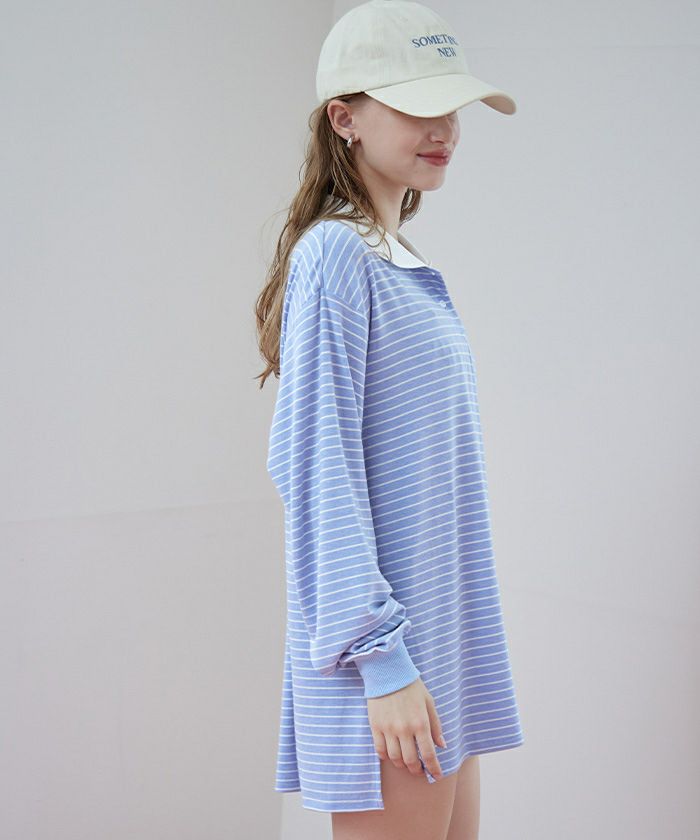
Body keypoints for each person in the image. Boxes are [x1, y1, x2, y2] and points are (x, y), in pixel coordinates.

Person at [254, 2, 523, 837]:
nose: (444, 130)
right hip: (391, 661)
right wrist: (383, 661)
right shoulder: (336, 255)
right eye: (416, 106)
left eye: (452, 108)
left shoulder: (396, 258)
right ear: (345, 119)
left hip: (441, 641)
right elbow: (316, 467)